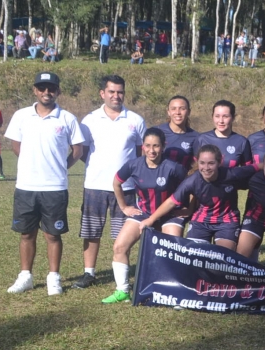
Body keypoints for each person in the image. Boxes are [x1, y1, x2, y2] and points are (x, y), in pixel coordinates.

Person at [4, 72, 85, 295]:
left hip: (55, 188)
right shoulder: (21, 116)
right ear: (35, 90)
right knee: (26, 233)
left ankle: (53, 278)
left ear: (58, 91)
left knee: (53, 234)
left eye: (51, 88)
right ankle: (25, 276)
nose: (46, 92)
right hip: (26, 186)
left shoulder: (67, 118)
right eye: (42, 88)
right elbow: (16, 146)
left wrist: (58, 167)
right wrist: (32, 165)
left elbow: (77, 151)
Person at [74, 75, 147, 290]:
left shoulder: (135, 120)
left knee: (122, 235)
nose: (116, 96)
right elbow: (83, 151)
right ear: (102, 93)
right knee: (91, 231)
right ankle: (89, 273)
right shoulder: (89, 120)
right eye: (112, 91)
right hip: (95, 185)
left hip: (126, 188)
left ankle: (121, 275)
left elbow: (142, 152)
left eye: (120, 92)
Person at [101, 128, 188, 304]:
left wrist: (189, 209)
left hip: (169, 215)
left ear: (163, 146)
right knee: (119, 247)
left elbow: (191, 187)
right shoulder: (134, 165)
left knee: (174, 251)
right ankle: (123, 291)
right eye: (147, 145)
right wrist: (124, 206)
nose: (151, 150)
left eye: (156, 146)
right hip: (144, 213)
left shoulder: (173, 167)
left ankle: (173, 291)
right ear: (143, 147)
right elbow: (116, 183)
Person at [142, 145, 259, 250]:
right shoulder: (192, 180)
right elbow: (171, 201)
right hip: (201, 221)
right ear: (197, 162)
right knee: (195, 255)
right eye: (202, 163)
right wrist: (151, 219)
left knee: (223, 257)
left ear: (219, 162)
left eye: (211, 163)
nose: (206, 168)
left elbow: (258, 167)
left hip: (227, 221)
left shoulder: (232, 174)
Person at [192, 100, 253, 168]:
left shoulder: (242, 142)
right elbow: (195, 168)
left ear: (233, 118)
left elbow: (247, 170)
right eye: (217, 116)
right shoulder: (201, 139)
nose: (221, 121)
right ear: (212, 117)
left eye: (225, 116)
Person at [157, 96, 198, 170]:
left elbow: (196, 166)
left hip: (183, 180)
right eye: (173, 109)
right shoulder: (156, 132)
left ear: (189, 112)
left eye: (182, 109)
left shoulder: (196, 137)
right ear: (168, 112)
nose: (178, 112)